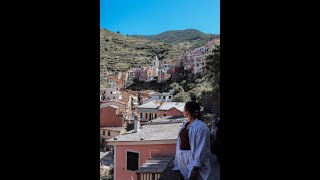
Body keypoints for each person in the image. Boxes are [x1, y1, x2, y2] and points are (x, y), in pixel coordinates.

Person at [173, 101, 211, 180]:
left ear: (187, 111)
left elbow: (202, 149)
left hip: (193, 161)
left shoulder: (201, 128)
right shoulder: (185, 125)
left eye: (184, 109)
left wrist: (196, 167)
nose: (183, 111)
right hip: (183, 160)